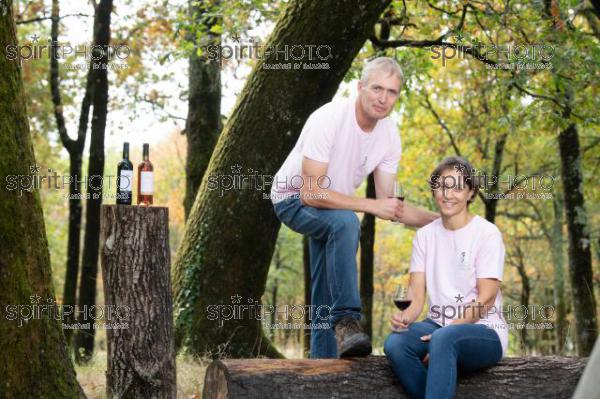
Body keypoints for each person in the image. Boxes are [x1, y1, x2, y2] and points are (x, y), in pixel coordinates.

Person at [270, 57, 438, 359]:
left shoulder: (389, 135)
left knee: (324, 290)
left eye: (392, 92)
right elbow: (310, 193)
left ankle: (322, 369)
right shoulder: (330, 117)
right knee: (346, 223)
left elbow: (392, 206)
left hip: (333, 209)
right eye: (376, 88)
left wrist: (442, 220)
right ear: (360, 87)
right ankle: (348, 320)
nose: (383, 98)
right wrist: (370, 205)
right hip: (292, 198)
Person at [383, 156, 509, 399]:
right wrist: (404, 317)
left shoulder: (487, 234)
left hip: (484, 330)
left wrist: (445, 335)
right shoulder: (424, 236)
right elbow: (416, 298)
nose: (447, 194)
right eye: (441, 186)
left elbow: (486, 299)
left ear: (470, 193)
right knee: (396, 344)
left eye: (457, 187)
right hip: (437, 325)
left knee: (444, 338)